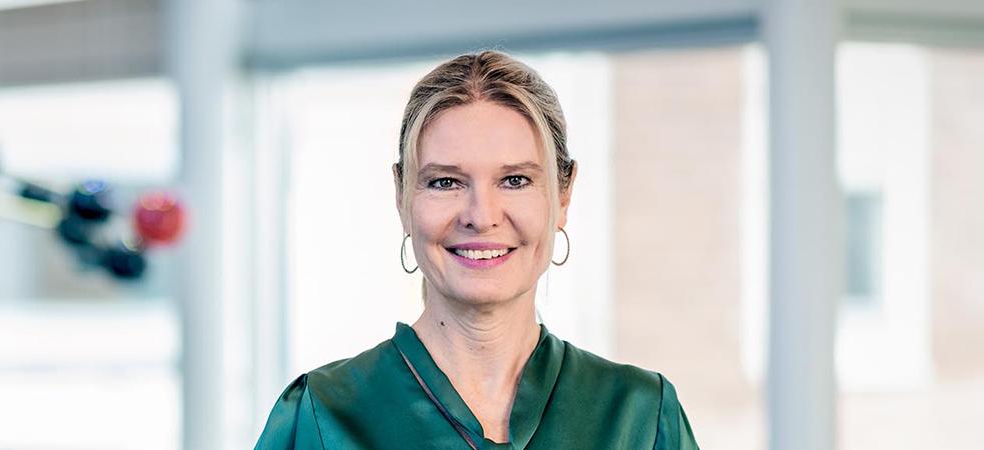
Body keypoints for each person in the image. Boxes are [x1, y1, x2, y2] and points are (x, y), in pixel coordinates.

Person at [254, 50, 699, 450]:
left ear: (563, 197)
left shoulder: (641, 419)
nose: (481, 215)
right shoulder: (321, 418)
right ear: (402, 196)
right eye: (445, 182)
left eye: (515, 180)